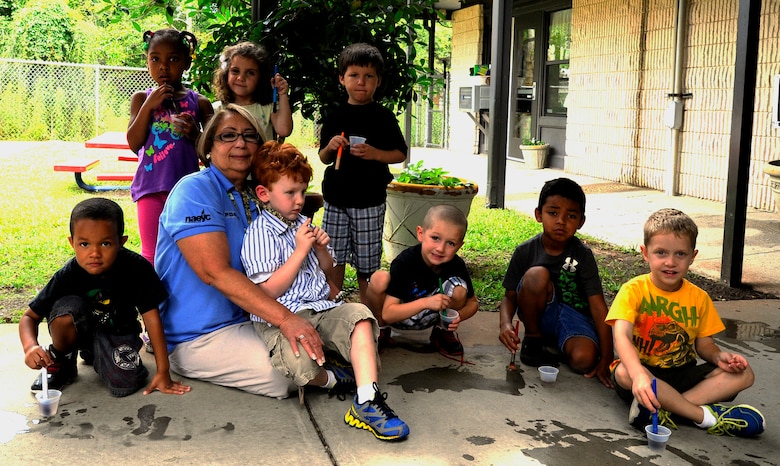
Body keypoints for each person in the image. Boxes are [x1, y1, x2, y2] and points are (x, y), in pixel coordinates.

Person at [239, 141, 409, 441]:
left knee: (361, 317)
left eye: (303, 192)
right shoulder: (258, 233)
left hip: (322, 307)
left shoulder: (302, 224)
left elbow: (332, 279)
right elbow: (267, 292)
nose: (299, 200)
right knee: (300, 369)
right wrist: (299, 251)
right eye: (290, 193)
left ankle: (367, 399)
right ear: (264, 194)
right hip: (283, 316)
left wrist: (319, 250)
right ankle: (334, 378)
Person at [156, 104, 319, 399]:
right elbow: (214, 272)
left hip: (249, 320)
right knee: (286, 374)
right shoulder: (195, 190)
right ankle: (332, 378)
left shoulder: (256, 197)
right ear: (208, 146)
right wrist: (285, 319)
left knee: (314, 346)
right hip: (198, 335)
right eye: (227, 136)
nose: (240, 143)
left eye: (249, 136)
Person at [606, 208, 764, 437]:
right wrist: (639, 374)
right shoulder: (633, 290)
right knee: (623, 372)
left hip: (682, 374)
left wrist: (719, 357)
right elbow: (621, 336)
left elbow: (705, 346)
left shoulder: (699, 298)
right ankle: (704, 417)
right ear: (645, 253)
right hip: (643, 376)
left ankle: (665, 411)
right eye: (661, 252)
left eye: (680, 254)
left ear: (693, 256)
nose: (670, 262)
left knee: (745, 374)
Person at [18, 198, 190, 397]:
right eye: (84, 244)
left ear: (121, 242)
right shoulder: (68, 274)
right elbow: (29, 317)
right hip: (79, 327)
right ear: (71, 243)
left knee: (125, 383)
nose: (94, 253)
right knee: (67, 310)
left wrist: (162, 371)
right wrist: (30, 347)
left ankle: (98, 353)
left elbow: (152, 320)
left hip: (117, 332)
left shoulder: (137, 269)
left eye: (106, 243)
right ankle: (63, 358)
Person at [498, 178, 613, 387]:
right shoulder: (525, 251)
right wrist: (505, 324)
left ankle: (560, 343)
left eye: (571, 216)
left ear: (581, 222)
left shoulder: (583, 255)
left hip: (574, 317)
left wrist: (607, 357)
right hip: (542, 314)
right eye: (553, 213)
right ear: (538, 214)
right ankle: (534, 341)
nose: (561, 221)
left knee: (583, 361)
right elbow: (509, 297)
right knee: (536, 275)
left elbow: (597, 306)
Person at [318, 42, 407, 305]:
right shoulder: (334, 116)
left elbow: (400, 153)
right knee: (334, 257)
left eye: (369, 76)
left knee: (367, 263)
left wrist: (375, 154)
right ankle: (330, 309)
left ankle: (370, 315)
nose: (361, 82)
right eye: (354, 75)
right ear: (342, 78)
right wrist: (331, 147)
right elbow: (323, 157)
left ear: (378, 81)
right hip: (336, 199)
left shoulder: (383, 117)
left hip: (369, 200)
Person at [127, 28, 214, 265]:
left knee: (186, 253)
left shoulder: (200, 103)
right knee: (152, 254)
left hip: (187, 191)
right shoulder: (141, 99)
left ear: (186, 62)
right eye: (155, 59)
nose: (163, 66)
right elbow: (134, 143)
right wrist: (149, 106)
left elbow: (213, 156)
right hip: (150, 188)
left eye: (173, 59)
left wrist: (196, 135)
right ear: (147, 62)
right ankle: (152, 302)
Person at [365, 205, 478, 358]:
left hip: (433, 316)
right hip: (398, 315)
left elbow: (473, 303)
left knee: (459, 288)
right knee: (379, 278)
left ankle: (442, 332)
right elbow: (388, 314)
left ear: (459, 246)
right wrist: (426, 303)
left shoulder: (456, 265)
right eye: (435, 238)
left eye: (450, 243)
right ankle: (381, 330)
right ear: (421, 234)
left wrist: (458, 315)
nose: (440, 248)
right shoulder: (405, 261)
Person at [212, 41, 293, 143]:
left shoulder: (268, 108)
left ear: (261, 78)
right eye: (235, 71)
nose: (241, 78)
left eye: (250, 73)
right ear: (226, 74)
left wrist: (282, 94)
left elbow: (284, 130)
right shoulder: (217, 109)